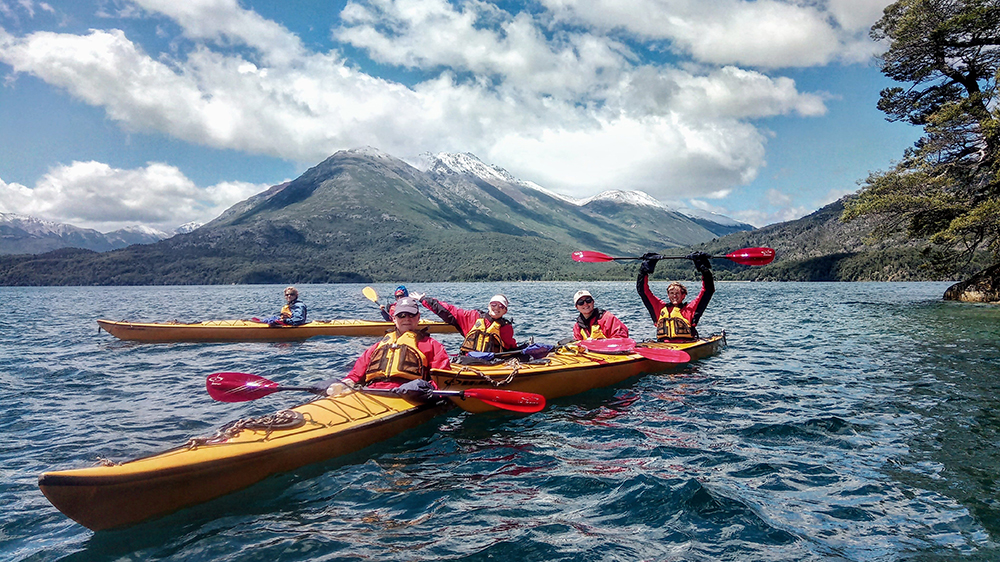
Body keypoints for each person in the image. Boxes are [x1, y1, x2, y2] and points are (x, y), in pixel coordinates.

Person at [325, 297, 451, 395]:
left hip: (409, 393)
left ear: (418, 318)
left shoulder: (433, 346)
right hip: (372, 392)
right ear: (394, 319)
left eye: (411, 315)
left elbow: (442, 380)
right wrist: (346, 383)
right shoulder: (378, 346)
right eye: (401, 315)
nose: (406, 319)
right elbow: (356, 374)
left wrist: (429, 390)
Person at [637, 252, 714, 341]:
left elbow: (708, 290)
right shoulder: (659, 308)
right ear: (668, 295)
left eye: (677, 293)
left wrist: (703, 268)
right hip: (664, 345)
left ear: (683, 295)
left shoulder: (690, 309)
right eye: (671, 293)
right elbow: (643, 291)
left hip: (685, 345)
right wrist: (643, 270)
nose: (674, 296)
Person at [410, 292, 519, 354]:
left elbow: (511, 347)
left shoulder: (506, 327)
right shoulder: (473, 317)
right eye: (494, 305)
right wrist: (424, 299)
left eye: (501, 306)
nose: (496, 308)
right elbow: (447, 310)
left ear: (505, 311)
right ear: (488, 306)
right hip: (470, 360)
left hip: (494, 362)